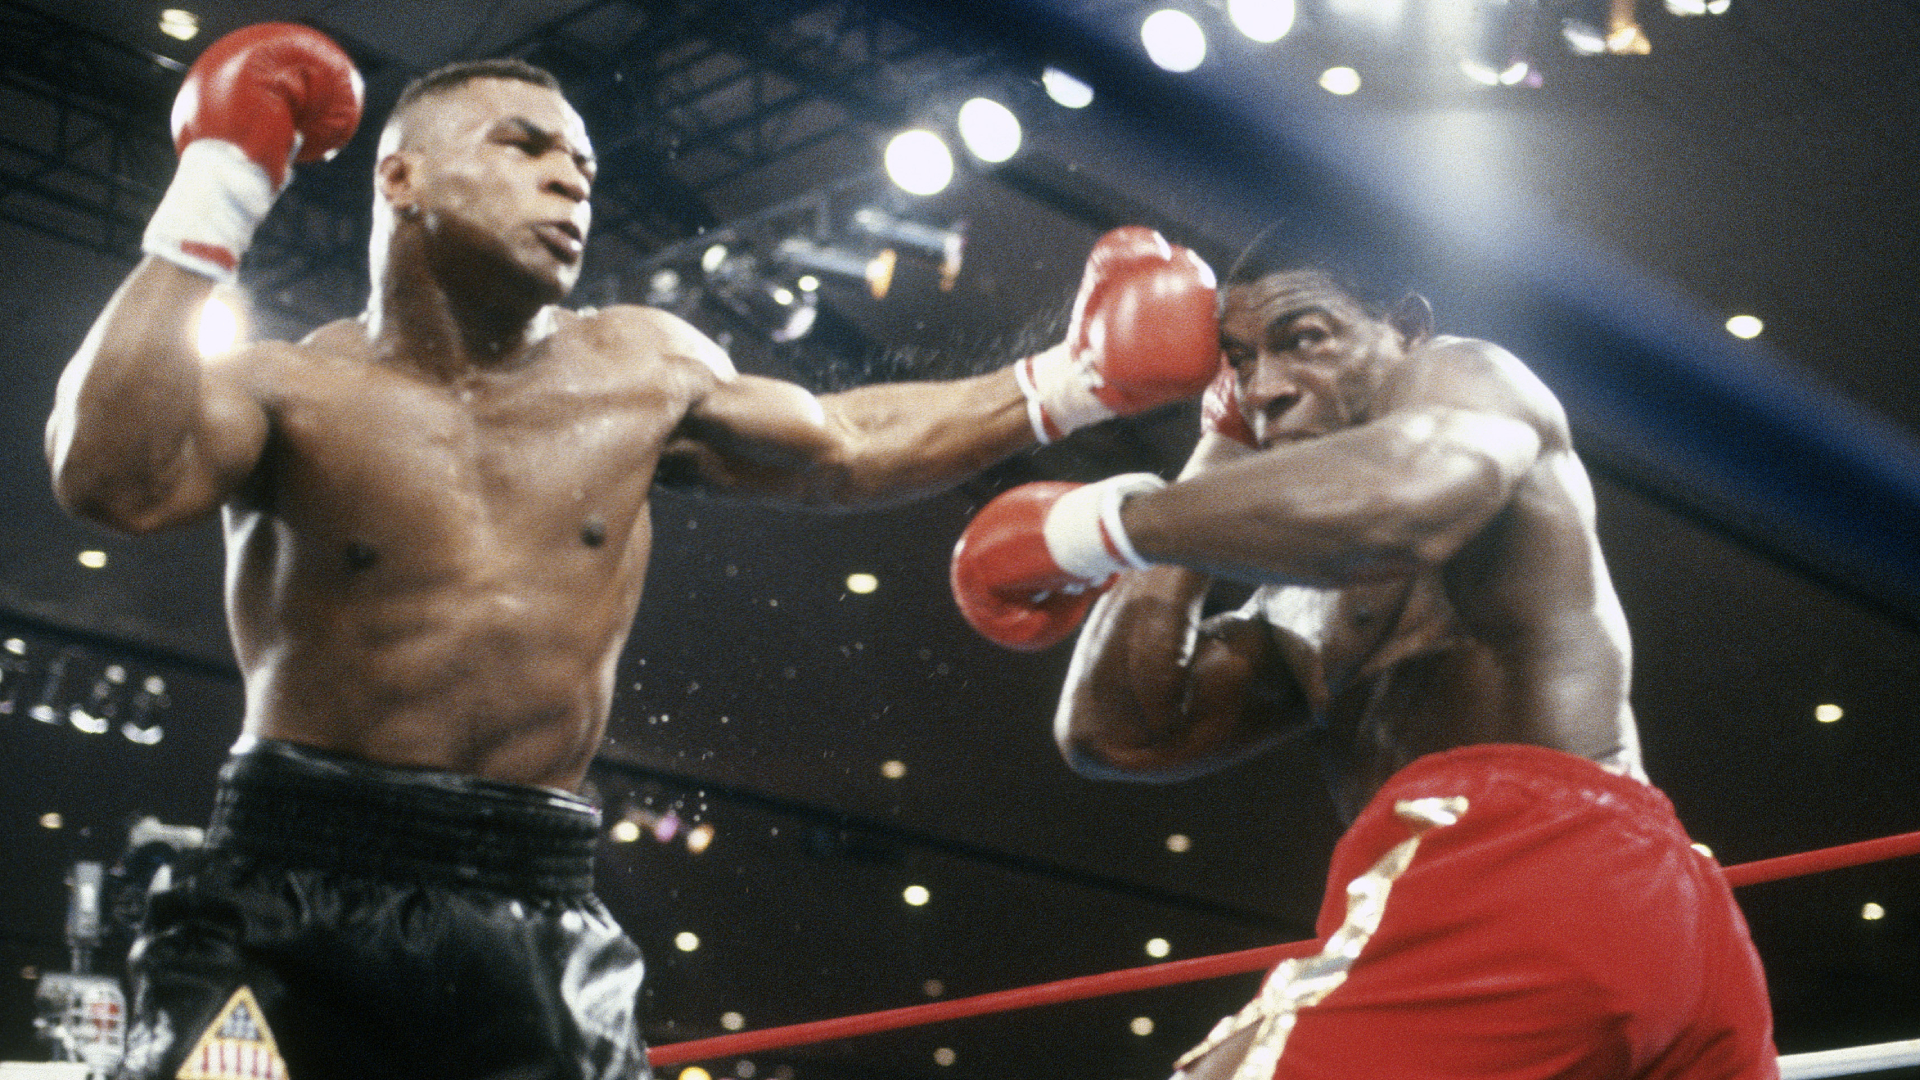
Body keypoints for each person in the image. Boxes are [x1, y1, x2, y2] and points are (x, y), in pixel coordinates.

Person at [44, 23, 1222, 1080]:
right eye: (524, 147)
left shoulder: (640, 369)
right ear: (399, 179)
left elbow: (841, 444)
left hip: (526, 898)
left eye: (586, 170)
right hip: (279, 885)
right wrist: (221, 183)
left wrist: (1071, 385)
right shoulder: (286, 386)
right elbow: (110, 479)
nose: (570, 180)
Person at [950, 226, 1780, 1079]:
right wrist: (1214, 451)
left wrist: (1088, 530)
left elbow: (1402, 505)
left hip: (1528, 872)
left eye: (1304, 340)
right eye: (1239, 364)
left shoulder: (1464, 375)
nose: (1266, 387)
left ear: (1405, 326)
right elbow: (1121, 733)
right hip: (1655, 925)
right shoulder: (1298, 600)